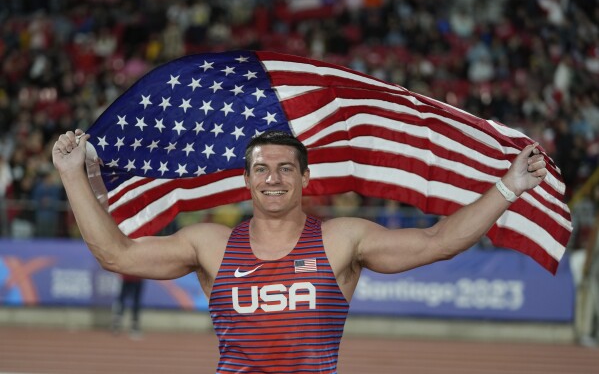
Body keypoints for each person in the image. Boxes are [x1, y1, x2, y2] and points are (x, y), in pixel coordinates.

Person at [52, 129, 547, 373]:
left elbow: (439, 242)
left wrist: (509, 186)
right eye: (262, 169)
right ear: (246, 180)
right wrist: (73, 174)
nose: (273, 178)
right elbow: (115, 254)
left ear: (306, 178)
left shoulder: (341, 239)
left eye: (286, 168)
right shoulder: (210, 244)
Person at [111, 273, 145, 339]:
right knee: (122, 300)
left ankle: (134, 325)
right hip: (127, 277)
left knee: (135, 301)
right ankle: (117, 323)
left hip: (137, 277)